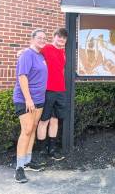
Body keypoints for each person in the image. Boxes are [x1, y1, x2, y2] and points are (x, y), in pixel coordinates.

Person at [13, 29, 48, 183]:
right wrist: (28, 99)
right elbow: (22, 76)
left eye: (44, 38)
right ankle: (19, 168)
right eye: (39, 38)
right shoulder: (27, 54)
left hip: (39, 100)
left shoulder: (41, 56)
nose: (42, 40)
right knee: (26, 130)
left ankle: (27, 161)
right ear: (32, 39)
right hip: (25, 99)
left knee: (33, 128)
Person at [36, 28, 68, 161]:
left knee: (55, 120)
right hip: (48, 90)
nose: (61, 40)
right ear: (54, 37)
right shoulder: (47, 48)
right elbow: (34, 51)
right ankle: (41, 151)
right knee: (44, 120)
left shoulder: (64, 52)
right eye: (59, 37)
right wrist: (22, 52)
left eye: (64, 38)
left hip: (61, 91)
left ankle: (52, 150)